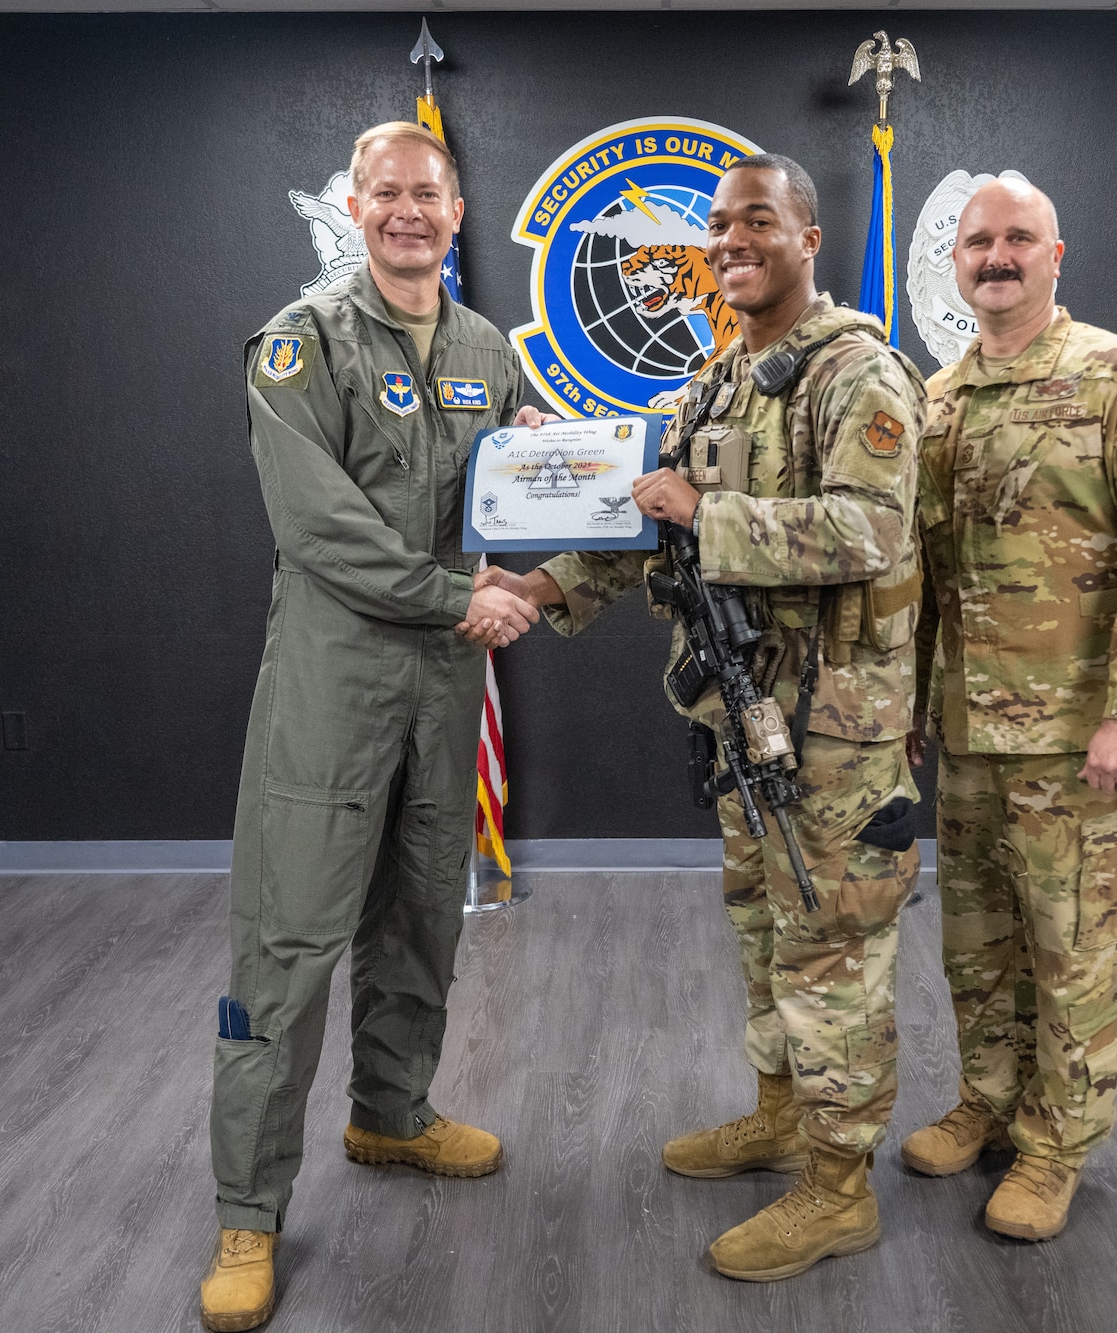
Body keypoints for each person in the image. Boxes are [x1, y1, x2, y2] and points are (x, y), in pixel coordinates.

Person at [474, 154, 928, 1282]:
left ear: (806, 237)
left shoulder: (856, 371)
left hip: (832, 727)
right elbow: (648, 524)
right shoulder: (718, 378)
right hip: (740, 714)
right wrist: (537, 589)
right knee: (762, 935)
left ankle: (837, 1190)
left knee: (829, 952)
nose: (729, 240)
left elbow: (870, 532)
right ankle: (779, 1116)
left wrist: (709, 509)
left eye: (755, 221)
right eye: (717, 225)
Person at [200, 121, 546, 1333]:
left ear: (457, 214)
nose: (408, 211)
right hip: (332, 696)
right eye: (386, 193)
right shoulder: (299, 349)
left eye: (428, 194)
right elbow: (322, 531)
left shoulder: (484, 349)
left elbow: (526, 476)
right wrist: (466, 595)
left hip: (443, 696)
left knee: (415, 924)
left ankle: (390, 1114)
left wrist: (601, 495)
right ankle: (248, 1210)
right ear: (354, 209)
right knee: (288, 949)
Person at [900, 174, 1117, 1240]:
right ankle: (987, 1104)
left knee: (1069, 947)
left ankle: (1054, 1145)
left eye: (1017, 238)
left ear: (1055, 253)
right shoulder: (937, 400)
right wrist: (907, 710)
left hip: (1074, 736)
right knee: (976, 939)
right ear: (956, 263)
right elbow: (923, 575)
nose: (995, 255)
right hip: (965, 731)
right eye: (977, 242)